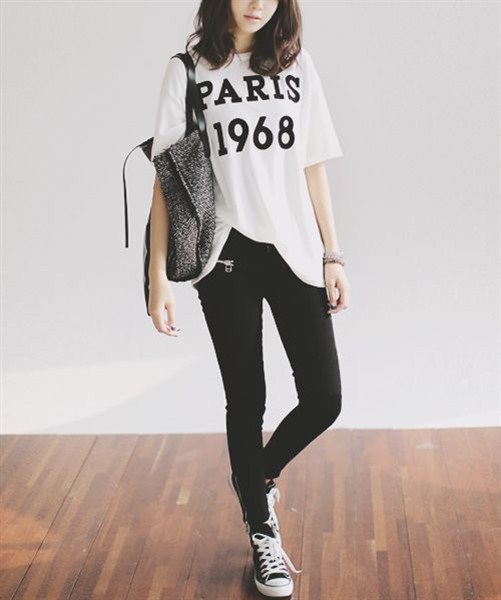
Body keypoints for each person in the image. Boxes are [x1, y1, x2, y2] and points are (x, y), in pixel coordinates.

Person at [147, 0, 350, 596]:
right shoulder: (188, 70)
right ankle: (262, 533)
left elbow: (313, 165)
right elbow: (168, 178)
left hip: (294, 247)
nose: (258, 3)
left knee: (325, 398)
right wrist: (158, 276)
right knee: (247, 398)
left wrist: (333, 254)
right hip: (225, 255)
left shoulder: (296, 65)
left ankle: (254, 476)